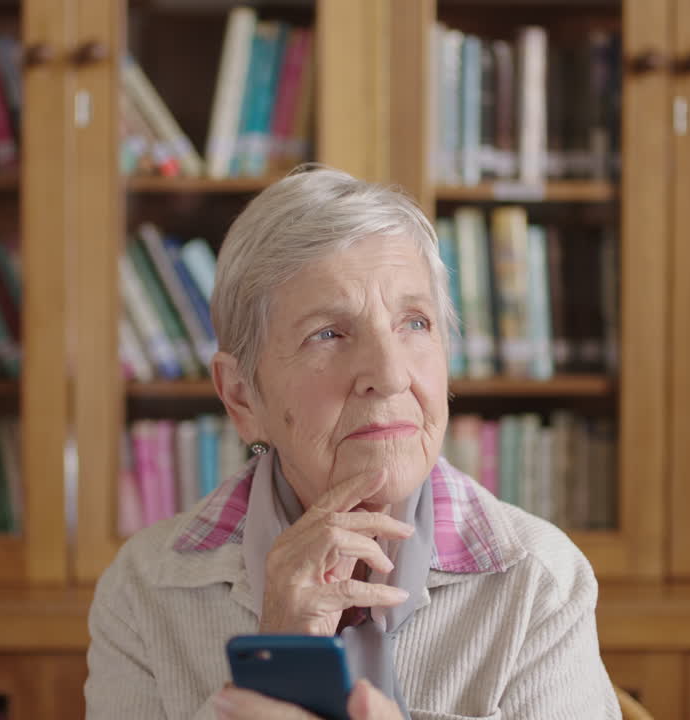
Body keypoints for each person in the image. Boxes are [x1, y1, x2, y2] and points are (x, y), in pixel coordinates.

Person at [84, 165, 621, 719]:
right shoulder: (145, 590)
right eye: (329, 334)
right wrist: (276, 654)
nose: (389, 375)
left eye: (415, 323)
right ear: (243, 398)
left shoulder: (539, 580)